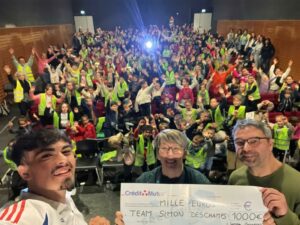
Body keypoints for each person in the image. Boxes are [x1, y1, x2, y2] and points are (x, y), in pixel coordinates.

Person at [0, 129, 123, 225]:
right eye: (46, 155)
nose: (63, 160)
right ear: (25, 172)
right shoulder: (28, 214)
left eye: (66, 152)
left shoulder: (66, 199)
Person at [228, 119, 300, 225]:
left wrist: (284, 216)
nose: (246, 148)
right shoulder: (235, 177)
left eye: (254, 141)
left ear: (270, 144)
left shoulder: (297, 182)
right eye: (239, 142)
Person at [136, 129, 210, 184]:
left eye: (176, 148)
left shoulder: (199, 181)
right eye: (164, 148)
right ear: (158, 154)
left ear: (185, 153)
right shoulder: (144, 181)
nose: (170, 155)